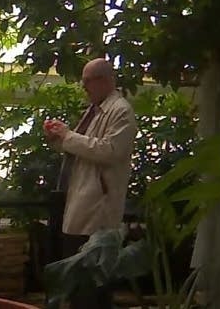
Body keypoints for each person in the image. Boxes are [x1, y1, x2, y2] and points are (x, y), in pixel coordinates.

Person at [43, 57, 137, 309]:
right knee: (77, 284)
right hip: (81, 205)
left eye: (88, 81)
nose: (84, 87)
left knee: (92, 288)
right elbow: (80, 150)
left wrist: (68, 135)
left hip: (97, 211)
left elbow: (110, 150)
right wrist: (57, 139)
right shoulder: (95, 110)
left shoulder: (121, 111)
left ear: (105, 80)